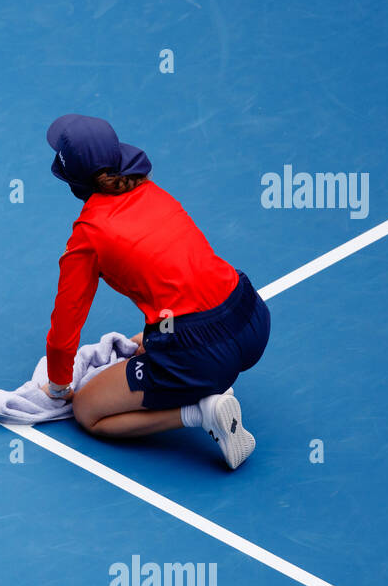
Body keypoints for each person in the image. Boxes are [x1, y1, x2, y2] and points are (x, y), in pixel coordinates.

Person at [40, 114, 270, 469]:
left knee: (87, 410)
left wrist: (58, 389)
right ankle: (192, 374)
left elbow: (64, 331)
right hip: (250, 315)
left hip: (201, 353)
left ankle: (201, 411)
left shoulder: (88, 234)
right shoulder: (153, 190)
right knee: (147, 337)